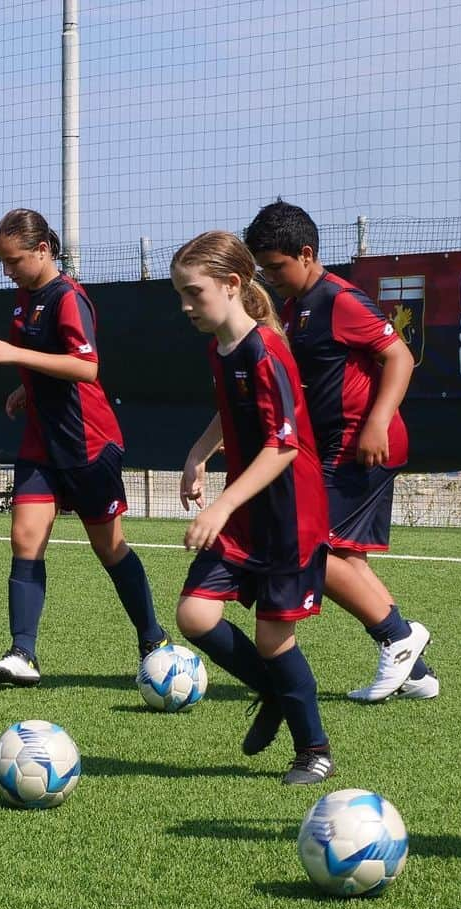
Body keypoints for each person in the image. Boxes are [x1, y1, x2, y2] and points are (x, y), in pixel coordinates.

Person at [244, 200, 436, 703]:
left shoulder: (341, 300)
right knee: (343, 556)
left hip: (362, 445)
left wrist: (376, 423)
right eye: (263, 268)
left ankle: (398, 636)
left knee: (307, 544)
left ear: (307, 254)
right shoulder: (293, 308)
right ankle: (416, 671)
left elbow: (400, 356)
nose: (271, 276)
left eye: (277, 266)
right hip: (334, 446)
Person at [170, 230, 334, 785]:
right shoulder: (222, 347)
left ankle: (313, 748)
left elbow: (283, 445)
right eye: (181, 295)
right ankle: (271, 689)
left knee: (273, 638)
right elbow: (230, 412)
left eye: (194, 293)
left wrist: (220, 506)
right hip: (246, 515)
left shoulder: (267, 350)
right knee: (194, 615)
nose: (186, 305)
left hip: (289, 518)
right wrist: (198, 454)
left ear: (233, 284)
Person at [0, 209, 168, 686]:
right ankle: (23, 653)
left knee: (108, 548)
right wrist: (27, 388)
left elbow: (87, 369)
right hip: (43, 441)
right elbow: (51, 364)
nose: (7, 270)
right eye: (2, 261)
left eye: (13, 260)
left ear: (43, 251)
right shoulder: (26, 299)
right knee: (24, 538)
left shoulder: (69, 298)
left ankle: (153, 640)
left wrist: (17, 355)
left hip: (88, 444)